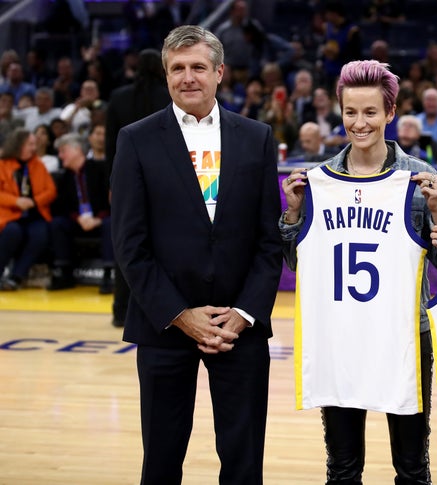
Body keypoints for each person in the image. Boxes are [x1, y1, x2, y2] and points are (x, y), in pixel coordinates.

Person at [110, 25, 282, 484]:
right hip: (164, 323)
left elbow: (269, 241)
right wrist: (180, 314)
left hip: (237, 325)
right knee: (162, 462)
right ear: (166, 75)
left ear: (219, 72)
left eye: (198, 67)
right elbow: (129, 244)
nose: (188, 77)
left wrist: (244, 312)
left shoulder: (257, 137)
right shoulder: (136, 139)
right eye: (178, 68)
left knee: (244, 464)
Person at [280, 59, 437, 485]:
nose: (359, 123)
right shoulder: (317, 182)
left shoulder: (421, 178)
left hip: (404, 337)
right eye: (350, 112)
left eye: (370, 112)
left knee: (412, 468)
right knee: (342, 470)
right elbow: (295, 263)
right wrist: (292, 213)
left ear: (390, 113)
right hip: (340, 334)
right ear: (339, 112)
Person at [106, 48, 171, 327]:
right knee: (163, 247)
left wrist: (113, 183)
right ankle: (164, 308)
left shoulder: (118, 97)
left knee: (128, 245)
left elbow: (111, 147)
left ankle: (121, 310)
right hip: (166, 181)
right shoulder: (168, 98)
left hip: (126, 179)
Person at [47, 133, 113, 292]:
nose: (60, 155)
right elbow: (61, 207)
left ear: (77, 150)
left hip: (101, 219)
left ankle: (109, 274)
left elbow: (112, 200)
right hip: (78, 222)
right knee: (58, 223)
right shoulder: (65, 177)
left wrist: (98, 219)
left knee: (110, 223)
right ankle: (64, 272)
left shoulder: (100, 169)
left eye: (64, 150)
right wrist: (78, 218)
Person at [0, 128, 56, 291]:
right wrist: (16, 201)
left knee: (40, 235)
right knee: (12, 232)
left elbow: (51, 191)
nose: (34, 147)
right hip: (10, 214)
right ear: (18, 145)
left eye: (34, 144)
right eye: (30, 144)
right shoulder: (3, 164)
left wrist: (33, 201)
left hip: (34, 214)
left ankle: (17, 276)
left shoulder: (38, 164)